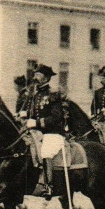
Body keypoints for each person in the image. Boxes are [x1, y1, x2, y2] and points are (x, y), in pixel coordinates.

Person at [22, 65, 65, 197]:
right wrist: (24, 116)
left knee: (46, 152)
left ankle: (48, 185)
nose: (35, 76)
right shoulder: (35, 94)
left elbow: (57, 117)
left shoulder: (53, 94)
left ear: (46, 77)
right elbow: (30, 112)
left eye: (38, 74)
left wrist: (37, 123)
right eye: (35, 74)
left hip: (51, 133)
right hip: (36, 132)